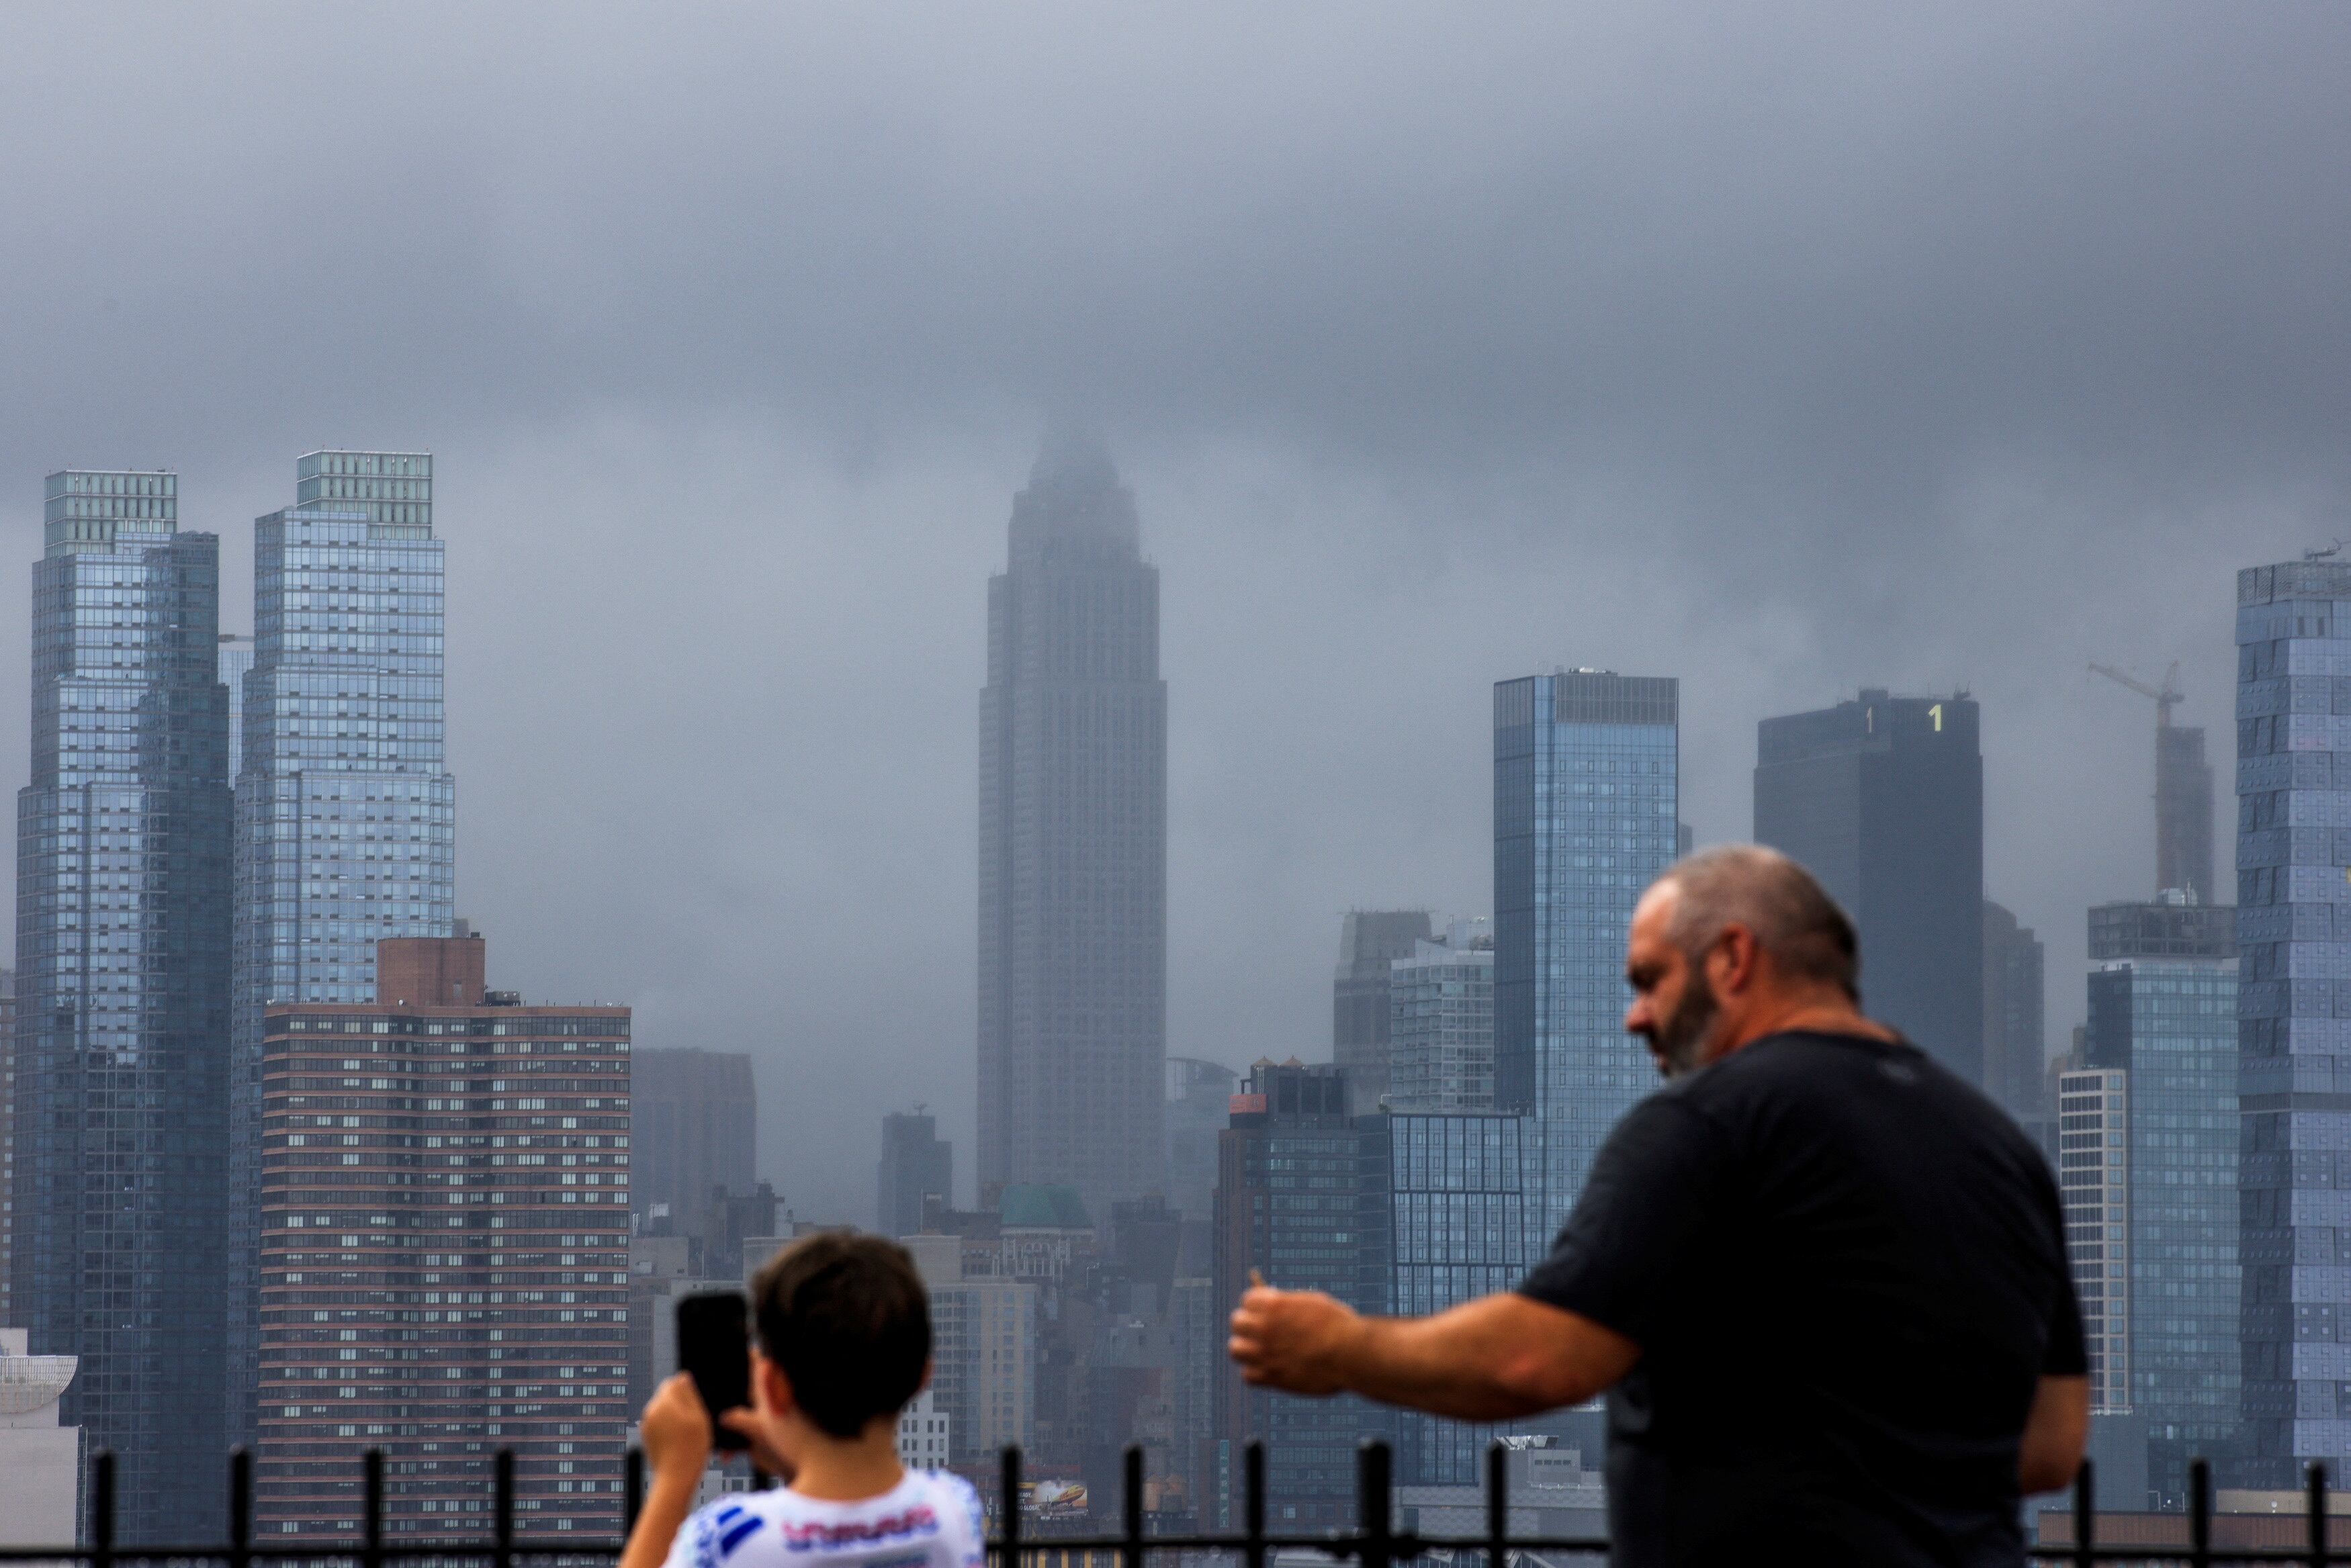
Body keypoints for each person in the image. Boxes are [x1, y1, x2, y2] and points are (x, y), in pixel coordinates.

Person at [1229, 844, 2086, 1568]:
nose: (1635, 1015)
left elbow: (1540, 1361)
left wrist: (1341, 1345)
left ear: (1732, 958)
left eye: (1649, 978)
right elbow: (2051, 1443)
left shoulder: (1707, 1126)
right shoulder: (1999, 1150)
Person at [621, 1233, 983, 1568]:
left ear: (774, 1387)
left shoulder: (728, 1540)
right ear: (922, 1376)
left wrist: (672, 1477)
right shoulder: (955, 1508)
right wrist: (789, 1452)